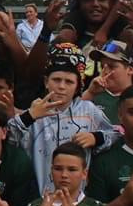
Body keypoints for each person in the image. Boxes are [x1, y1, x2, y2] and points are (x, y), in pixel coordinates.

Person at [9, 54, 120, 195]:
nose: (61, 86)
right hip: (41, 197)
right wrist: (29, 116)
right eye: (56, 80)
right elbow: (8, 139)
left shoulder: (88, 110)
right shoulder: (33, 112)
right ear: (46, 82)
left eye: (69, 82)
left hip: (80, 198)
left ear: (77, 86)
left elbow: (116, 134)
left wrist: (96, 138)